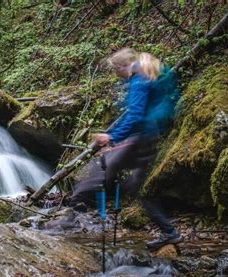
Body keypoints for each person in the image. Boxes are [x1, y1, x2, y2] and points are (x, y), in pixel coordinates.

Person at [69, 48, 183, 249]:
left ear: (121, 67)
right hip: (151, 134)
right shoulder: (147, 74)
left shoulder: (139, 80)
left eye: (115, 70)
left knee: (102, 167)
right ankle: (170, 233)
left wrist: (111, 137)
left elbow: (135, 115)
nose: (115, 75)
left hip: (142, 136)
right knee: (137, 188)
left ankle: (71, 215)